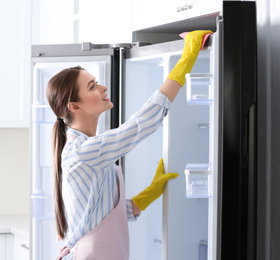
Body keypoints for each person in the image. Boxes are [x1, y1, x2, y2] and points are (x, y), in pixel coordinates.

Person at [48, 30, 212, 260]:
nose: (103, 88)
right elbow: (140, 125)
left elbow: (105, 216)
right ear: (74, 106)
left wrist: (148, 194)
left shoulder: (87, 148)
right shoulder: (85, 152)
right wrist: (187, 59)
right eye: (93, 86)